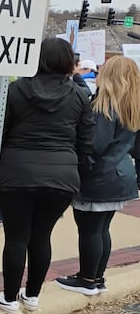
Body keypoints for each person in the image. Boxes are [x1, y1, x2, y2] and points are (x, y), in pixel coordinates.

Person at [0, 37, 94, 314]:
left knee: (16, 238)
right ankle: (32, 295)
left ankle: (9, 298)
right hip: (61, 176)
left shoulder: (13, 91)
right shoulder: (79, 96)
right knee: (41, 236)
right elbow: (87, 142)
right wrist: (74, 168)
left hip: (16, 173)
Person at [56, 56, 140, 295]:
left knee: (90, 229)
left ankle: (87, 279)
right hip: (120, 173)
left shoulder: (105, 107)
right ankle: (96, 277)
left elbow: (95, 144)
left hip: (99, 176)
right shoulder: (131, 105)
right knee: (102, 229)